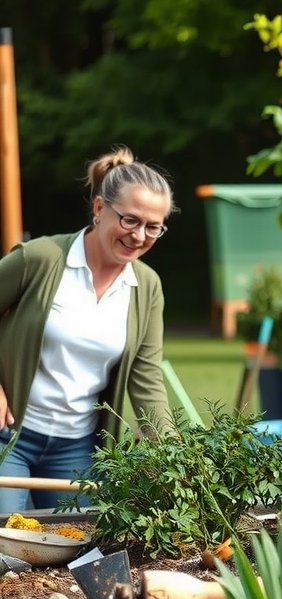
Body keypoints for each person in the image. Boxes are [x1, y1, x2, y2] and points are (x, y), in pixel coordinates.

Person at [0, 146, 172, 514]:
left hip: (76, 448)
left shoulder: (147, 286)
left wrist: (173, 453)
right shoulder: (40, 259)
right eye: (129, 220)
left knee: (77, 551)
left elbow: (147, 376)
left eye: (153, 226)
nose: (139, 235)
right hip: (8, 435)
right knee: (5, 545)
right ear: (98, 209)